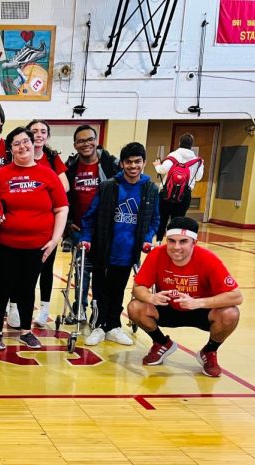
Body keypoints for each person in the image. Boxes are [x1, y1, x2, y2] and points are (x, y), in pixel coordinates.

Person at [0, 127, 68, 350]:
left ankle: (26, 331)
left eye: (26, 141)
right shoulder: (1, 174)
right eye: (16, 143)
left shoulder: (47, 175)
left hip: (36, 247)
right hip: (3, 246)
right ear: (10, 149)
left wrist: (54, 240)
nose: (22, 146)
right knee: (1, 289)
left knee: (27, 288)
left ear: (33, 143)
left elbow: (62, 208)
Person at [127, 216, 242, 377]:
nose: (176, 247)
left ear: (194, 242)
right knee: (135, 307)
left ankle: (209, 352)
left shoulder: (208, 259)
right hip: (168, 307)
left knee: (231, 313)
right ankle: (161, 342)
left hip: (200, 310)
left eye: (183, 242)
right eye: (171, 241)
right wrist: (151, 298)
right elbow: (138, 288)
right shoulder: (157, 255)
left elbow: (236, 296)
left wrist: (198, 302)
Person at [79, 142, 159, 346]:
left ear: (144, 163)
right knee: (100, 291)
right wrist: (86, 237)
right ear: (122, 163)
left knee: (118, 290)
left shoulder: (150, 189)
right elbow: (89, 216)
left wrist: (147, 239)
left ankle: (113, 326)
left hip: (128, 251)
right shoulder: (108, 187)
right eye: (129, 162)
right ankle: (98, 325)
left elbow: (155, 220)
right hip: (103, 249)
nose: (133, 166)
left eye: (137, 162)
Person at [63, 125, 121, 318]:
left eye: (89, 139)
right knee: (82, 271)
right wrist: (69, 221)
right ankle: (79, 309)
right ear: (75, 145)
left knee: (102, 272)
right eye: (81, 141)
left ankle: (100, 311)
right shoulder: (70, 168)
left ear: (96, 141)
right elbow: (64, 196)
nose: (86, 144)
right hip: (80, 228)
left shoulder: (111, 165)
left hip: (106, 230)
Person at [26, 119, 69, 328]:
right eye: (34, 131)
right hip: (25, 224)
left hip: (48, 225)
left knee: (46, 268)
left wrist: (43, 194)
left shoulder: (52, 158)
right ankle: (15, 305)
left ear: (47, 136)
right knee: (22, 269)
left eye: (43, 131)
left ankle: (43, 309)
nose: (39, 134)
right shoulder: (20, 155)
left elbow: (65, 187)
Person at [154, 133, 204, 241]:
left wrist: (157, 165)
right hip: (184, 195)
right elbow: (199, 177)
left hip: (166, 192)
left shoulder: (173, 155)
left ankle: (158, 243)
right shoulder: (197, 161)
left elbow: (162, 170)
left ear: (179, 143)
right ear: (192, 145)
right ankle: (173, 243)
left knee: (162, 219)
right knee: (177, 221)